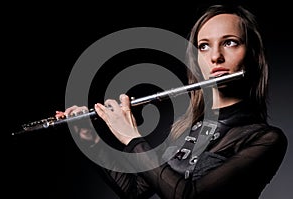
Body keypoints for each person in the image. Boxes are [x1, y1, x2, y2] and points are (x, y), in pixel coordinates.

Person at [56, 4, 288, 199]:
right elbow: (134, 190)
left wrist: (131, 137)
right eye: (203, 46)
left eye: (229, 42)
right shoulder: (186, 130)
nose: (215, 57)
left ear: (253, 55)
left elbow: (188, 196)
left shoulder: (266, 139)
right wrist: (91, 139)